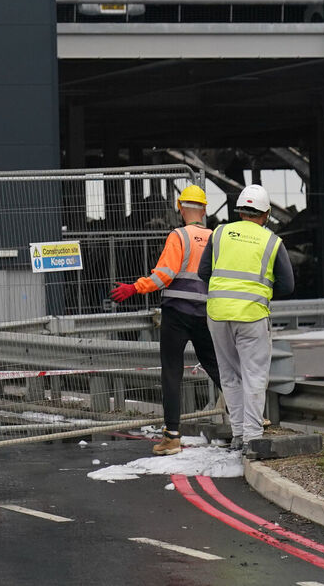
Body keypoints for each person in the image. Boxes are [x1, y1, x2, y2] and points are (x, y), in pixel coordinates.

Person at [110, 184, 221, 455]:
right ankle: (252, 419)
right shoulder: (218, 238)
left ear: (181, 208)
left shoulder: (178, 236)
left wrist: (135, 288)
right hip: (206, 313)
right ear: (205, 209)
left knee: (171, 372)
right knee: (218, 368)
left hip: (177, 314)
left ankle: (172, 437)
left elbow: (164, 275)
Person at [198, 183, 293, 453]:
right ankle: (252, 438)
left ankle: (238, 433)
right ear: (266, 214)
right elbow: (287, 286)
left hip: (217, 314)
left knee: (229, 376)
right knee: (254, 376)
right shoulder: (272, 241)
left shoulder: (219, 233)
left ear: (240, 211)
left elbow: (204, 273)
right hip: (251, 315)